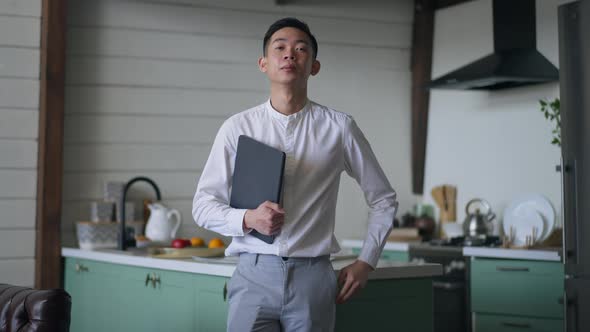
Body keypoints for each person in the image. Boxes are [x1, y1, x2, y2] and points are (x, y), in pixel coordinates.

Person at [192, 17, 398, 332]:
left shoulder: (340, 128)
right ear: (263, 63)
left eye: (301, 49)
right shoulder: (237, 128)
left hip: (313, 280)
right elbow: (203, 206)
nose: (290, 54)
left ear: (314, 66)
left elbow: (384, 199)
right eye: (280, 48)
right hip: (253, 275)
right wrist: (248, 219)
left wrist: (366, 261)